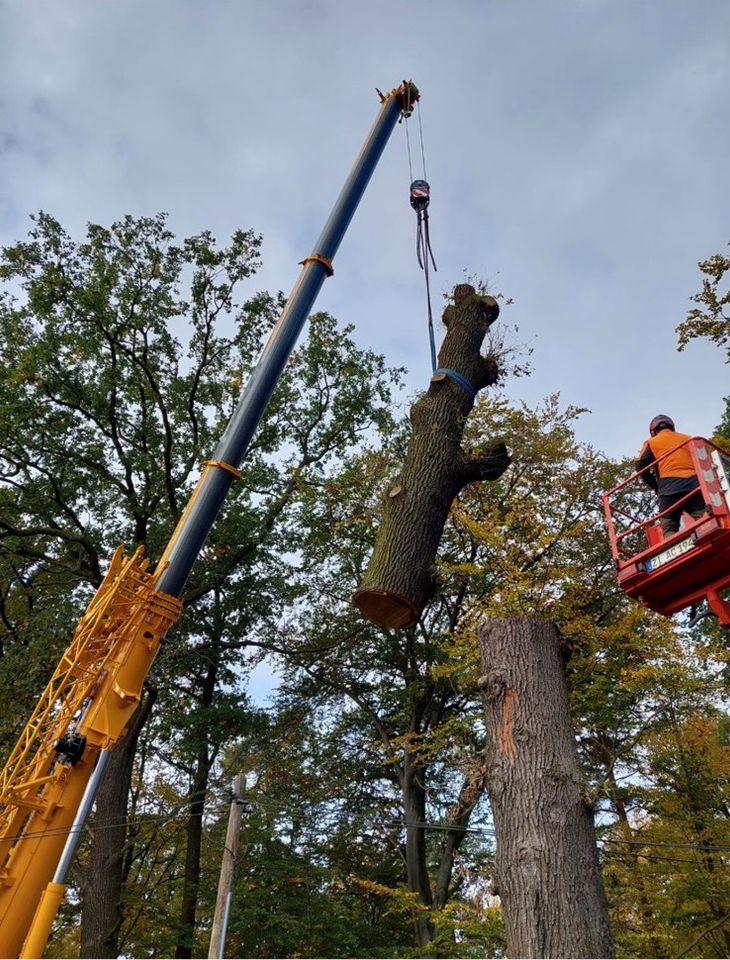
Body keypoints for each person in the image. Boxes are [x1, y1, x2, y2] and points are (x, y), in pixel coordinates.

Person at [636, 415, 706, 536]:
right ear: (671, 426)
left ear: (653, 430)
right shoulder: (688, 439)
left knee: (669, 527)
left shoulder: (652, 442)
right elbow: (704, 461)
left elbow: (640, 466)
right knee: (705, 520)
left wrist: (656, 487)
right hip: (695, 486)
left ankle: (676, 547)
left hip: (669, 489)